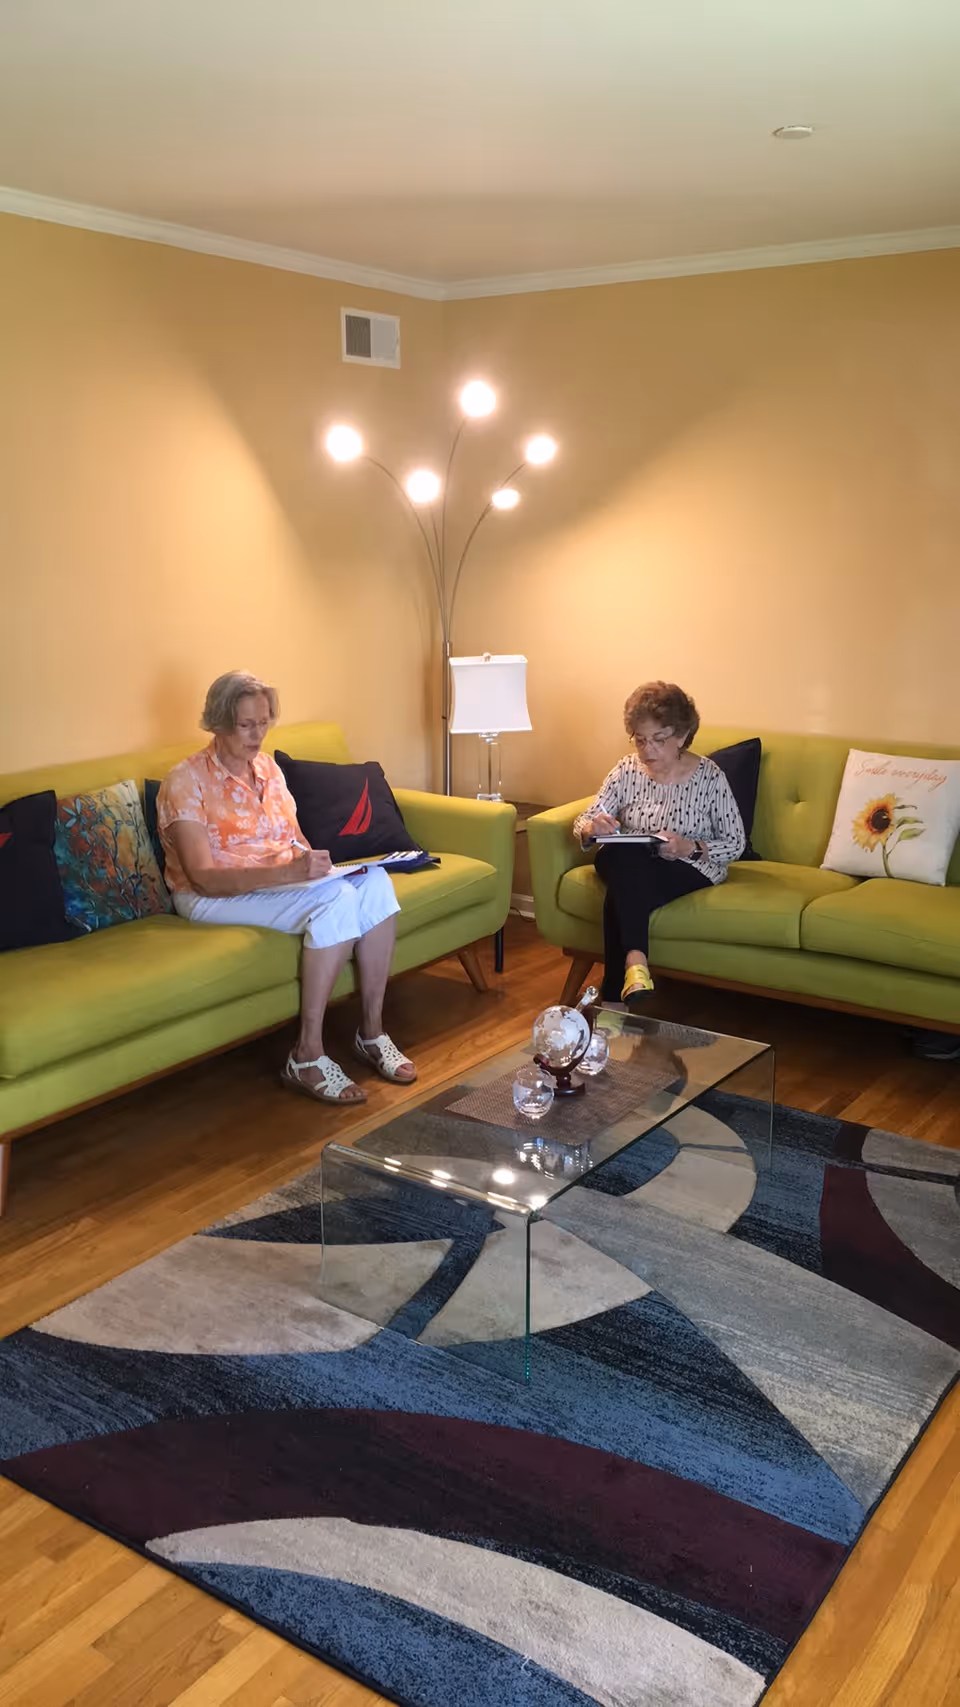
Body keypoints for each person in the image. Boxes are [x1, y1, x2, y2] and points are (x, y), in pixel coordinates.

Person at [157, 671, 415, 1105]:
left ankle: (371, 1032)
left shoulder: (269, 769)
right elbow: (201, 875)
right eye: (246, 725)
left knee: (374, 883)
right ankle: (306, 1055)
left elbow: (292, 840)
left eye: (264, 722)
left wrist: (316, 867)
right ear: (218, 722)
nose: (257, 734)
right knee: (337, 900)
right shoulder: (186, 780)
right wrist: (291, 876)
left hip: (278, 881)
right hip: (210, 896)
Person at [574, 681, 745, 1004]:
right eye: (640, 740)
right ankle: (635, 966)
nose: (647, 750)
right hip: (630, 861)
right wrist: (593, 827)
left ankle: (615, 994)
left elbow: (735, 843)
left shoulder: (710, 777)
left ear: (681, 736)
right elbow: (585, 820)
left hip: (686, 865)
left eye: (658, 740)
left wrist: (689, 847)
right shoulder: (626, 770)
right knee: (622, 856)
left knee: (622, 887)